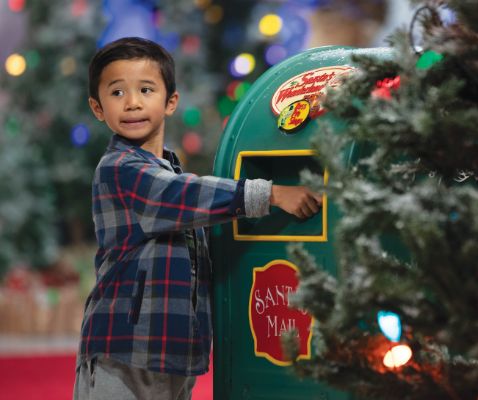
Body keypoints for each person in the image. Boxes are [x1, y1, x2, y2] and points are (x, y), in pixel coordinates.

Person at [73, 37, 322, 400]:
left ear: (170, 101)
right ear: (98, 108)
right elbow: (181, 194)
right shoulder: (119, 168)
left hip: (175, 354)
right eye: (117, 92)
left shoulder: (168, 167)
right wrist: (270, 193)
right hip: (124, 349)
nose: (132, 102)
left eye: (146, 89)